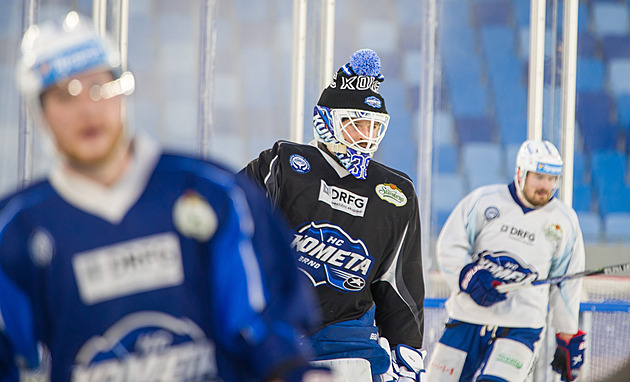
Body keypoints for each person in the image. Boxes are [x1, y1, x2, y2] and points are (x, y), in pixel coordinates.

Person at [0, 11, 333, 382]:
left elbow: (268, 326)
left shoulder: (214, 192)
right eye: (65, 94)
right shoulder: (16, 230)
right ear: (39, 112)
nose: (87, 108)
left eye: (100, 87)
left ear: (123, 91)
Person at [240, 49, 425, 382]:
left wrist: (406, 347)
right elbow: (232, 224)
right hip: (276, 330)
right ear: (327, 121)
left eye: (374, 125)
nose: (366, 135)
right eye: (356, 124)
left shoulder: (396, 193)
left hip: (348, 341)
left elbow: (397, 279)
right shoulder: (283, 165)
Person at [426, 139, 587, 382]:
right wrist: (469, 277)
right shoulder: (483, 200)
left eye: (552, 179)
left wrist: (567, 332)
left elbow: (566, 282)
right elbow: (450, 246)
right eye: (539, 177)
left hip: (522, 326)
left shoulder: (564, 220)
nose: (546, 186)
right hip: (468, 317)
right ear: (521, 173)